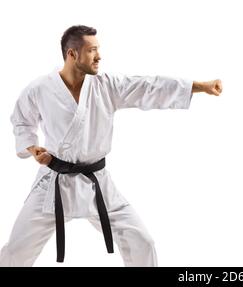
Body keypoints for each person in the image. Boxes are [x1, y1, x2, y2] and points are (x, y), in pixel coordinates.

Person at [0, 25, 223, 267]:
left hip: (97, 183)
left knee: (142, 242)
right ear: (72, 54)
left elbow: (148, 85)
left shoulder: (106, 86)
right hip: (53, 184)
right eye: (92, 50)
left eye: (99, 49)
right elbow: (21, 120)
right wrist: (33, 148)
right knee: (15, 252)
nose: (99, 56)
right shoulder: (40, 88)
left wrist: (199, 86)